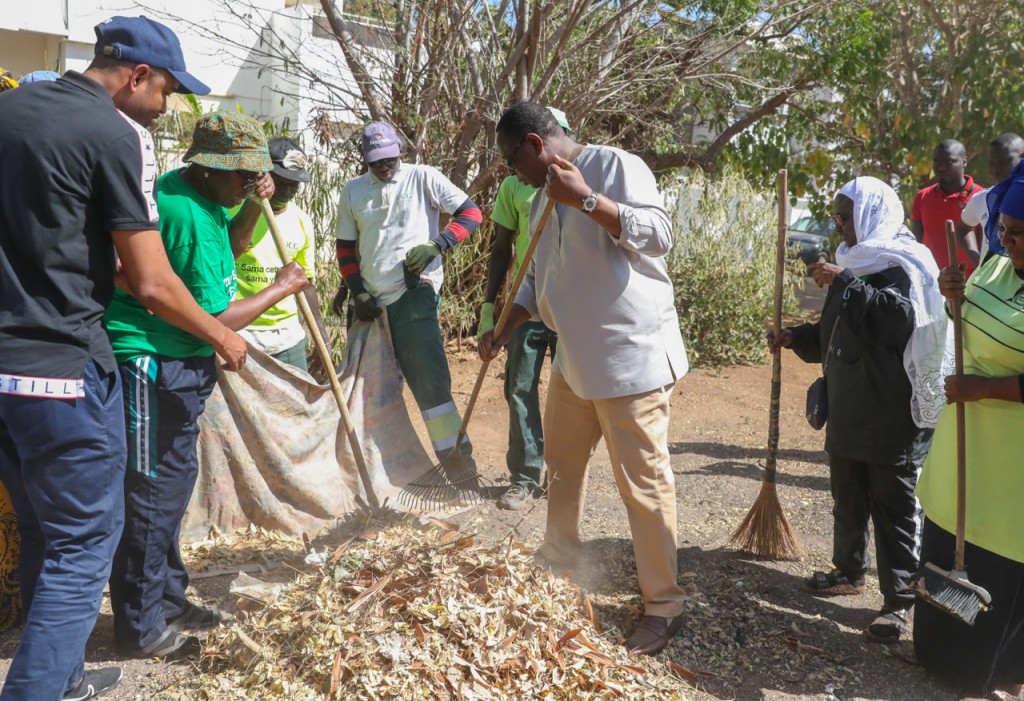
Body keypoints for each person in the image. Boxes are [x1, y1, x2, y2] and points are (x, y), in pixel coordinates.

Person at [0, 15, 248, 701]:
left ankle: (65, 673)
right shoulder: (115, 133)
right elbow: (150, 280)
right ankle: (36, 691)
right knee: (86, 539)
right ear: (136, 76)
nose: (166, 105)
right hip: (60, 366)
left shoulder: (10, 108)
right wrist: (223, 336)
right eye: (166, 89)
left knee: (43, 526)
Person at [480, 101, 689, 656]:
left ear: (533, 143)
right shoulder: (538, 196)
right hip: (573, 361)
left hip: (630, 365)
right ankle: (559, 554)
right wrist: (508, 321)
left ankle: (664, 606)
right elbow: (542, 274)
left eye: (510, 159)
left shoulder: (613, 165)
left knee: (643, 487)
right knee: (563, 465)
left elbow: (659, 234)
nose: (510, 171)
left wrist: (587, 200)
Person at [104, 112, 309, 660]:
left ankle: (168, 598)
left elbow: (234, 252)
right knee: (149, 493)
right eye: (242, 176)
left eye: (253, 177)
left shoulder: (208, 198)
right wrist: (281, 288)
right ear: (210, 168)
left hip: (181, 363)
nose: (249, 184)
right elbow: (215, 314)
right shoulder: (185, 214)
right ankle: (141, 627)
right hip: (154, 361)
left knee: (171, 487)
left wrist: (247, 203)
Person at [769, 177, 947, 643]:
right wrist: (797, 338)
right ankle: (849, 571)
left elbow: (894, 321)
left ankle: (900, 603)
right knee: (847, 498)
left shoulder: (904, 265)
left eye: (845, 216)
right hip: (850, 410)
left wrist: (845, 280)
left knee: (895, 510)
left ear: (869, 215)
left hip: (892, 415)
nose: (838, 224)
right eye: (836, 216)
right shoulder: (855, 262)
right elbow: (836, 332)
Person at [913, 178, 1024, 700]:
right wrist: (953, 296)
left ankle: (994, 675)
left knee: (998, 562)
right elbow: (974, 325)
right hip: (964, 443)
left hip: (1012, 460)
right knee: (945, 540)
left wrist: (986, 388)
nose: (1010, 242)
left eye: (1021, 234)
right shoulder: (998, 265)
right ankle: (938, 655)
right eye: (1004, 230)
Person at [333, 122, 482, 465]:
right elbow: (345, 247)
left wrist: (438, 244)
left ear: (401, 151)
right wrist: (356, 291)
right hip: (370, 303)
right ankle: (384, 474)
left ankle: (459, 468)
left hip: (414, 294)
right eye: (376, 162)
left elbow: (471, 213)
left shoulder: (423, 177)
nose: (384, 168)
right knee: (370, 393)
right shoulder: (353, 191)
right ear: (365, 159)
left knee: (432, 388)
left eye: (389, 159)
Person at [478, 107, 569, 511]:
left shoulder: (578, 183)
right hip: (526, 303)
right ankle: (525, 477)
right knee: (519, 386)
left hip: (570, 307)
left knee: (572, 393)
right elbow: (500, 249)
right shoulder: (516, 188)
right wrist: (488, 310)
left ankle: (564, 477)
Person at [233, 136, 323, 371]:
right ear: (264, 174)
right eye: (283, 181)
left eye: (296, 183)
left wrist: (321, 335)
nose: (290, 189)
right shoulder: (234, 213)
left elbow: (306, 281)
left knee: (297, 405)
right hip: (241, 332)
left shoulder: (302, 221)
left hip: (286, 337)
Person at [911, 139, 984, 276]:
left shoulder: (981, 197)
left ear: (964, 162)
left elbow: (985, 249)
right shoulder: (923, 197)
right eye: (937, 162)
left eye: (949, 162)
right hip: (930, 284)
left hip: (971, 286)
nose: (941, 167)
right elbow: (914, 244)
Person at [955, 133, 1024, 266]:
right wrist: (979, 261)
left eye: (1003, 162)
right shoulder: (983, 199)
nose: (996, 169)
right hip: (991, 285)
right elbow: (963, 228)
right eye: (992, 163)